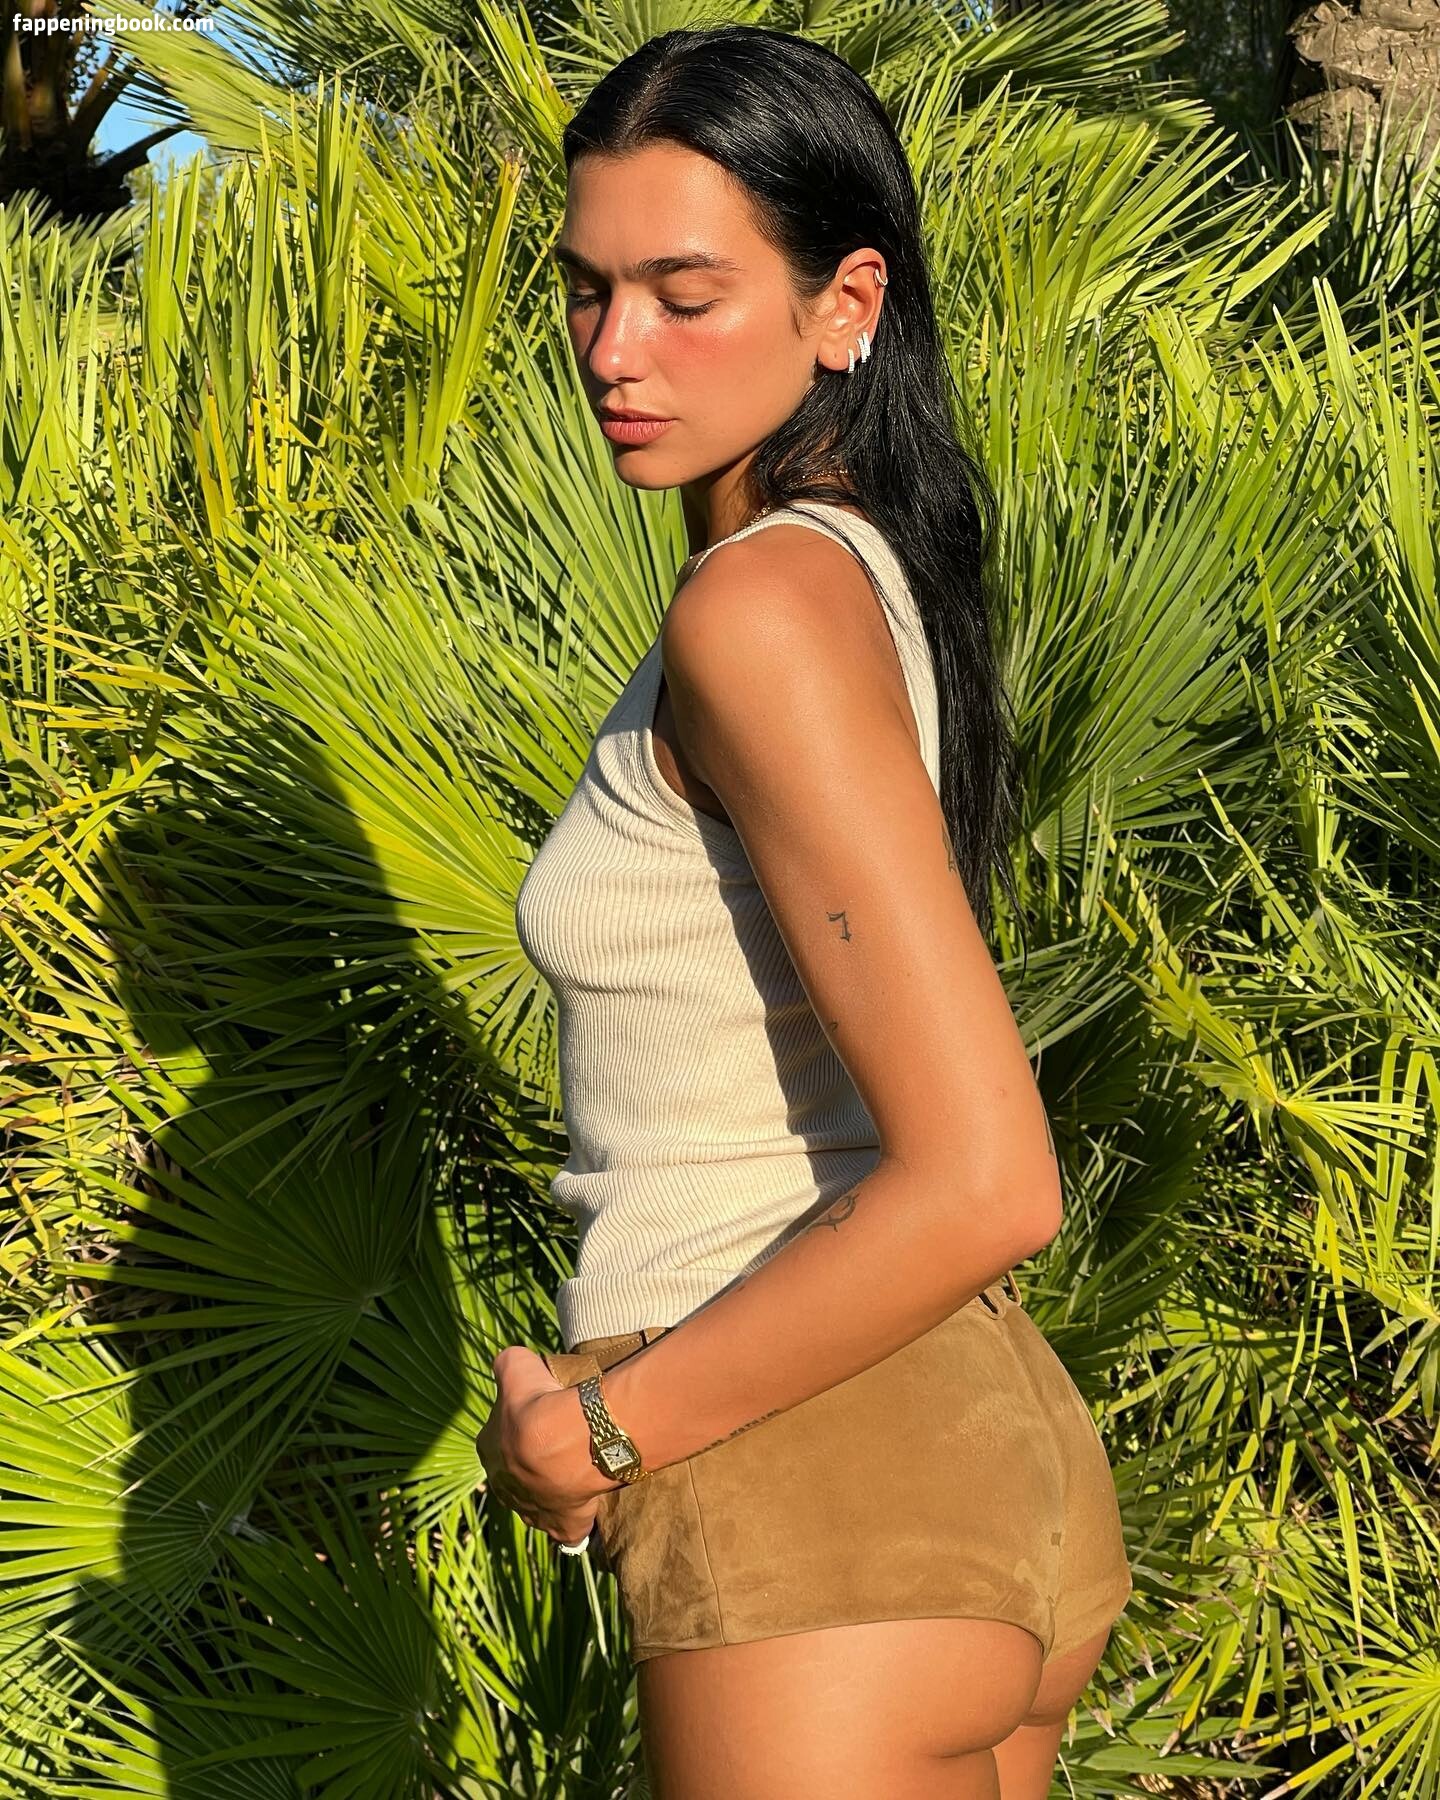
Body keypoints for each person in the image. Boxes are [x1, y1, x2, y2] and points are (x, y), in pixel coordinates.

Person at [475, 24, 1132, 1797]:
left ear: (847, 304)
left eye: (685, 294)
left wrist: (599, 1432)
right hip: (967, 1456)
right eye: (589, 288)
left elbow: (989, 1176)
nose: (615, 350)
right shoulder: (862, 576)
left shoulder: (758, 610)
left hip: (810, 1487)